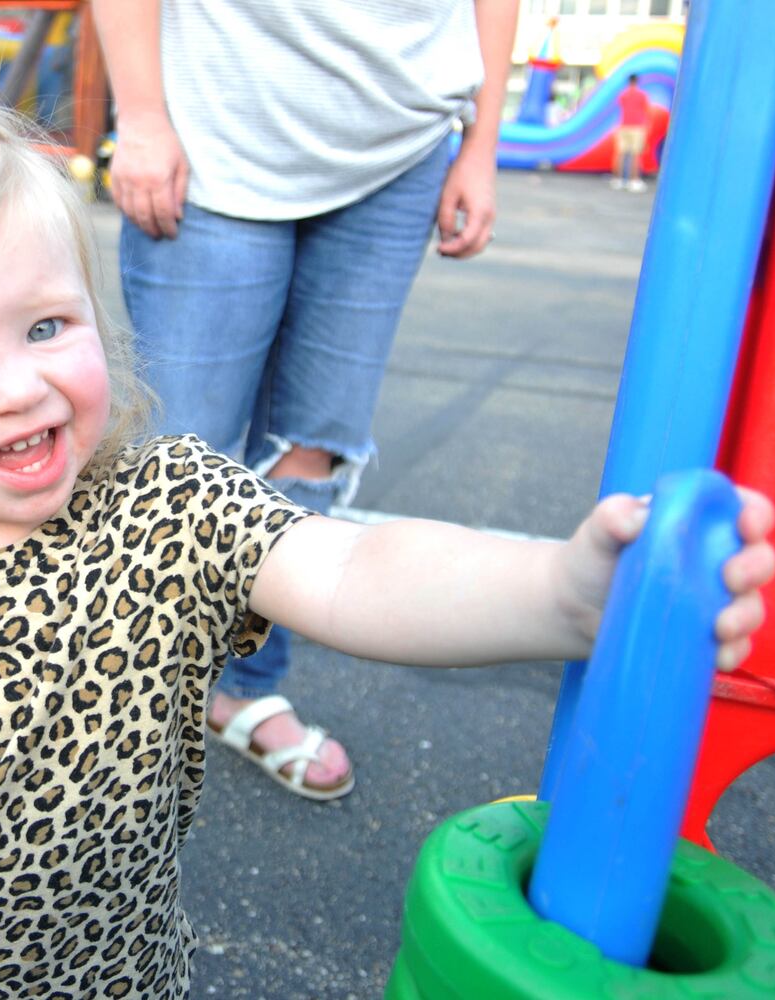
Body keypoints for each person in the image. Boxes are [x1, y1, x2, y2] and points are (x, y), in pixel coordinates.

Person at [0, 105, 775, 999]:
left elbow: (348, 574)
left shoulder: (166, 503)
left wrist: (562, 593)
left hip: (112, 976)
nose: (15, 387)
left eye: (46, 324)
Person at [91, 0, 519, 800]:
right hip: (218, 130)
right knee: (183, 457)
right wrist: (142, 115)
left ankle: (243, 687)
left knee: (313, 447)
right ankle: (129, 698)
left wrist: (481, 144)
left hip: (401, 143)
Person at [613, 73, 650, 192]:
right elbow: (646, 110)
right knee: (635, 154)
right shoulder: (642, 95)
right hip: (637, 126)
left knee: (621, 154)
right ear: (637, 81)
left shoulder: (623, 94)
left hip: (624, 125)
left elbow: (621, 106)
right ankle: (634, 181)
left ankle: (618, 180)